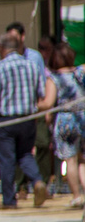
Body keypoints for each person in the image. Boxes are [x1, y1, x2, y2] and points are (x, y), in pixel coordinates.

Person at [0, 33, 52, 208]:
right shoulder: (32, 66)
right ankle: (38, 182)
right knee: (25, 154)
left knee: (6, 160)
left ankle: (9, 200)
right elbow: (41, 94)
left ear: (2, 48)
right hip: (28, 120)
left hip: (6, 121)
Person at [47, 42, 85, 208]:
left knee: (70, 160)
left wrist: (36, 107)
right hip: (82, 116)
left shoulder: (54, 78)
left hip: (66, 119)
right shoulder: (80, 72)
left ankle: (77, 196)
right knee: (83, 160)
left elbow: (48, 102)